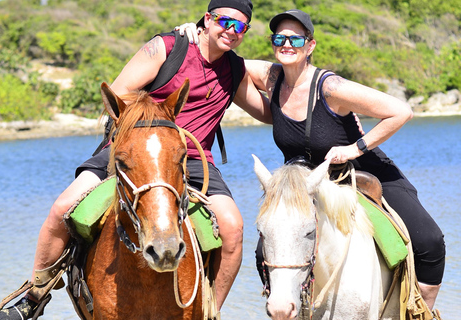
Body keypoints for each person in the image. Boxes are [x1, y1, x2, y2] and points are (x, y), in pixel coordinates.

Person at [0, 0, 271, 319]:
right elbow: (118, 93)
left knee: (233, 228)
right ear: (208, 19)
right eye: (225, 21)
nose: (231, 31)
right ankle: (36, 293)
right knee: (61, 208)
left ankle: (210, 310)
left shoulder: (234, 69)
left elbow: (266, 113)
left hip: (192, 158)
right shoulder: (168, 47)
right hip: (132, 146)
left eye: (241, 27)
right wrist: (157, 121)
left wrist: (302, 102)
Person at [178, 8, 445, 315]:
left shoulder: (331, 88)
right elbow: (219, 54)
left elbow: (400, 111)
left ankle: (419, 311)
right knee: (265, 244)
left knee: (429, 240)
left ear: (311, 45)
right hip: (305, 180)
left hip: (362, 170)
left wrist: (355, 148)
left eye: (295, 38)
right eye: (279, 38)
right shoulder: (271, 76)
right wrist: (194, 33)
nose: (286, 44)